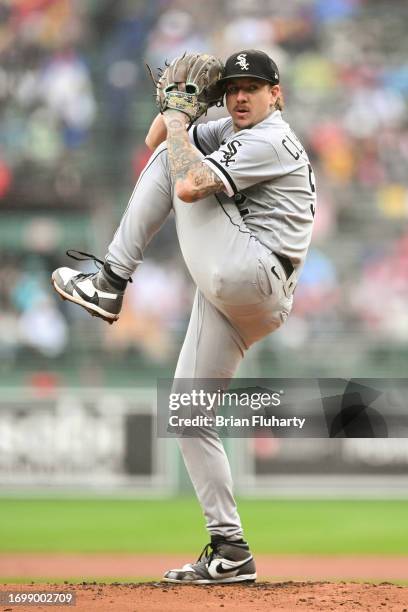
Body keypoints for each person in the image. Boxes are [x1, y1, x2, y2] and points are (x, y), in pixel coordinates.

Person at [52, 49, 316, 584]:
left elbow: (188, 184)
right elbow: (156, 141)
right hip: (242, 293)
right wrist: (181, 110)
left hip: (249, 269)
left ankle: (109, 281)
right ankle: (230, 550)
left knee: (179, 166)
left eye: (253, 87)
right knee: (188, 415)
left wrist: (179, 119)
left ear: (277, 94)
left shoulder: (271, 138)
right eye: (233, 87)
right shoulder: (235, 128)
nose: (241, 96)